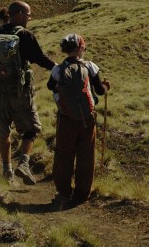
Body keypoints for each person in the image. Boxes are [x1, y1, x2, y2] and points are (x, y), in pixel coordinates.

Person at [0, 1, 56, 184]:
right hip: (20, 94)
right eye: (28, 15)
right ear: (20, 15)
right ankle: (23, 163)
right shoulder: (24, 35)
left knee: (3, 132)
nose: (29, 18)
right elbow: (41, 59)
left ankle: (7, 169)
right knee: (32, 128)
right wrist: (61, 69)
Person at [48, 33, 110, 204]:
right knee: (86, 154)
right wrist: (105, 87)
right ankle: (82, 193)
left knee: (64, 153)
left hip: (66, 118)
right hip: (87, 119)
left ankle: (63, 191)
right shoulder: (90, 67)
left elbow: (50, 86)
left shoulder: (57, 70)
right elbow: (99, 91)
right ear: (81, 48)